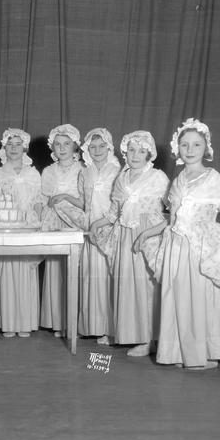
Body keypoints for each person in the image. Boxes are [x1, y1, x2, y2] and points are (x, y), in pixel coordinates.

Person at [141, 118, 220, 369]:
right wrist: (148, 233)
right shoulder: (178, 180)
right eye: (185, 144)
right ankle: (179, 351)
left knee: (200, 297)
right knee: (178, 297)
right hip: (177, 247)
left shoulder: (212, 178)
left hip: (201, 248)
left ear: (206, 147)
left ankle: (203, 352)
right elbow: (171, 219)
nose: (190, 149)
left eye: (196, 144)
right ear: (178, 148)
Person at [91, 130, 169, 355]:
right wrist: (97, 223)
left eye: (141, 151)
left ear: (149, 153)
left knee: (146, 287)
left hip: (147, 236)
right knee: (127, 286)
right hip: (125, 236)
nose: (136, 155)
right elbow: (115, 212)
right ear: (125, 151)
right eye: (132, 150)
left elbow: (172, 212)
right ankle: (132, 334)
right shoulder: (122, 178)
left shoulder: (158, 177)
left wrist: (151, 232)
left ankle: (149, 339)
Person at [0, 128, 44, 338]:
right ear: (4, 147)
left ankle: (26, 322)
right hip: (5, 226)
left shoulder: (33, 173)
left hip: (28, 226)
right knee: (7, 271)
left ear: (25, 148)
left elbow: (38, 200)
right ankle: (8, 322)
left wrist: (38, 223)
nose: (13, 148)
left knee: (26, 272)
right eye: (9, 144)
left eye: (18, 144)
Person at [75, 128, 121, 345]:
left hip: (109, 229)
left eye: (102, 146)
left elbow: (119, 205)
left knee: (107, 279)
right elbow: (85, 203)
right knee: (89, 276)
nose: (97, 150)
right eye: (92, 147)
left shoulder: (119, 171)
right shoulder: (85, 172)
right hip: (90, 231)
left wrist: (103, 224)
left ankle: (109, 329)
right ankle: (90, 326)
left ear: (109, 147)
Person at [39, 124, 84, 337]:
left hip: (75, 225)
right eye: (58, 144)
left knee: (75, 272)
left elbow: (86, 203)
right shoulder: (48, 171)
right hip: (54, 224)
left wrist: (65, 199)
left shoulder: (83, 169)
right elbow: (43, 199)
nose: (62, 148)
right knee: (57, 272)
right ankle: (58, 321)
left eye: (67, 144)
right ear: (52, 147)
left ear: (75, 146)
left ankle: (74, 323)